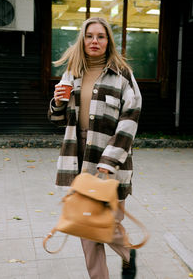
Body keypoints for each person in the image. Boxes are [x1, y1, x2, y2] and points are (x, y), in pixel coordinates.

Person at [48, 17, 142, 279]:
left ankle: (127, 252)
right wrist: (57, 103)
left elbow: (130, 119)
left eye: (101, 36)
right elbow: (58, 120)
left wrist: (109, 160)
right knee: (83, 224)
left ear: (108, 41)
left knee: (106, 222)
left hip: (110, 160)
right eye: (90, 36)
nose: (94, 41)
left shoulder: (122, 75)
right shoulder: (72, 72)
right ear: (83, 39)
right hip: (76, 159)